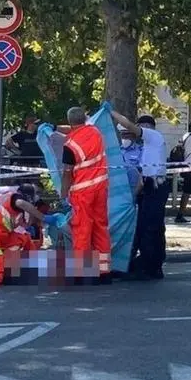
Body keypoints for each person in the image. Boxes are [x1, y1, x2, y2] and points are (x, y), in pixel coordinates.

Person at [109, 108, 171, 280]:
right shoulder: (148, 147)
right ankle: (149, 264)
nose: (137, 131)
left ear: (148, 127)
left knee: (151, 228)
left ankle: (151, 267)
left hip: (156, 187)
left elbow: (128, 125)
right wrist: (134, 196)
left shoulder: (153, 137)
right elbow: (142, 177)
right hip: (150, 186)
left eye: (141, 127)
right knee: (146, 227)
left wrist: (112, 113)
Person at [60, 106, 112, 281]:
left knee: (82, 230)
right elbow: (78, 126)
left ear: (70, 122)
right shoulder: (95, 132)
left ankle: (80, 273)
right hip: (101, 188)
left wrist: (63, 194)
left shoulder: (70, 146)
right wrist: (55, 128)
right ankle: (104, 272)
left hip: (82, 192)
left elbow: (67, 173)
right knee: (100, 229)